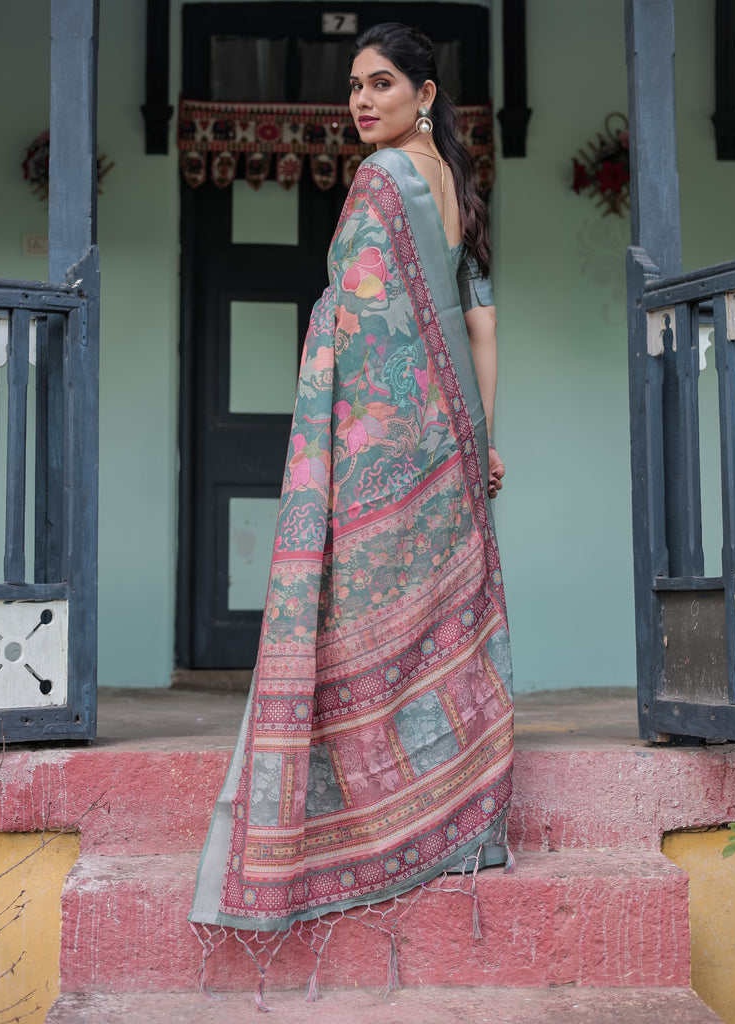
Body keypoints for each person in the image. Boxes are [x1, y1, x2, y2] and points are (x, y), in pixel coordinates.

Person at [189, 19, 513, 966]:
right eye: (352, 88)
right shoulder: (458, 186)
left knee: (363, 614)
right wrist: (483, 435)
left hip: (387, 443)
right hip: (449, 434)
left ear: (424, 92)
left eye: (380, 83)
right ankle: (458, 817)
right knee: (435, 624)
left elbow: (358, 320)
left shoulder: (381, 182)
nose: (361, 101)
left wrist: (332, 434)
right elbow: (481, 326)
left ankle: (375, 823)